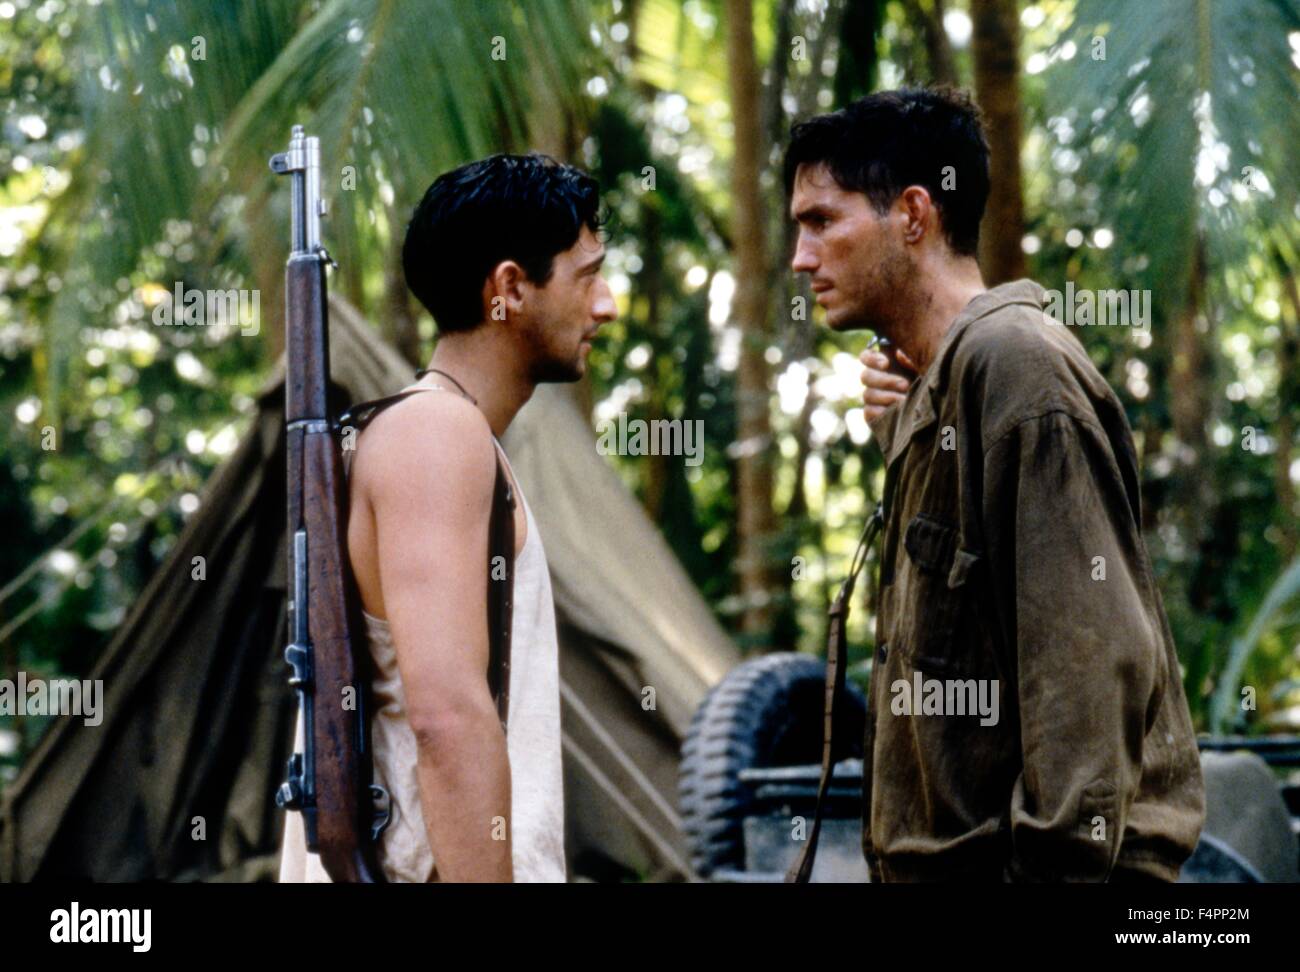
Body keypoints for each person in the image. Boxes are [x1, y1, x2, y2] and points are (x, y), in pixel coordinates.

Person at [785, 87, 1204, 882]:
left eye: (821, 222)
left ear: (914, 214)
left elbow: (1086, 668)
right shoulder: (950, 389)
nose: (801, 259)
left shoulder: (1016, 366)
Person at [279, 153, 617, 882]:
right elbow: (448, 720)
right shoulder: (438, 435)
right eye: (588, 277)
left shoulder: (433, 433)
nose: (607, 304)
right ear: (509, 289)